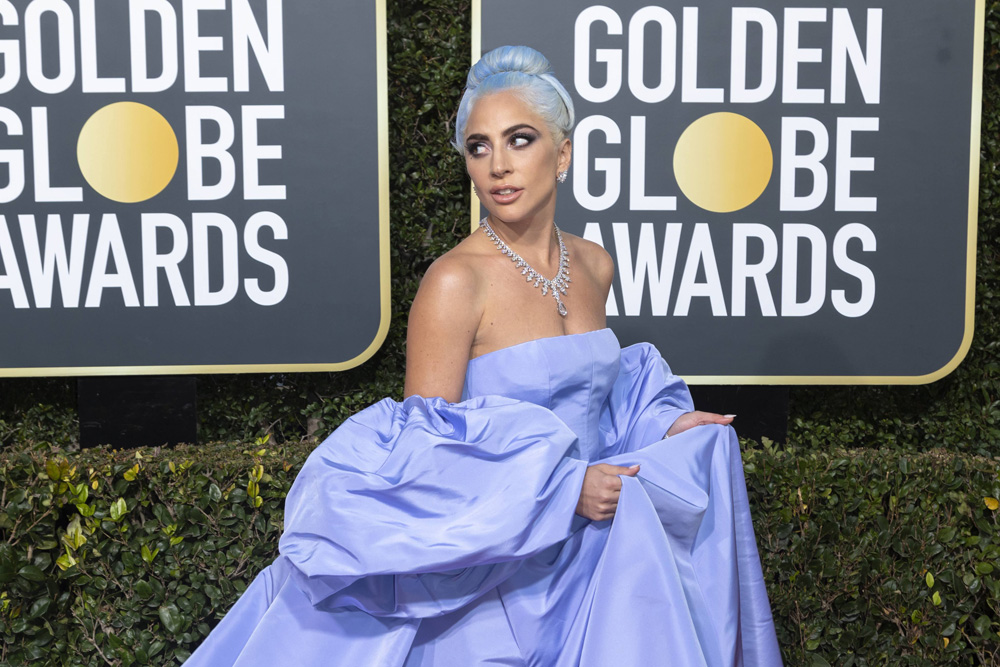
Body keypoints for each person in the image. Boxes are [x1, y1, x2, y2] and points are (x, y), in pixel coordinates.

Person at [185, 45, 782, 666]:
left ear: (564, 153)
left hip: (599, 557)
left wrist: (665, 424)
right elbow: (421, 460)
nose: (498, 165)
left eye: (519, 140)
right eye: (478, 147)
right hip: (499, 581)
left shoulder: (595, 266)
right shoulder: (454, 283)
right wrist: (559, 488)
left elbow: (593, 402)